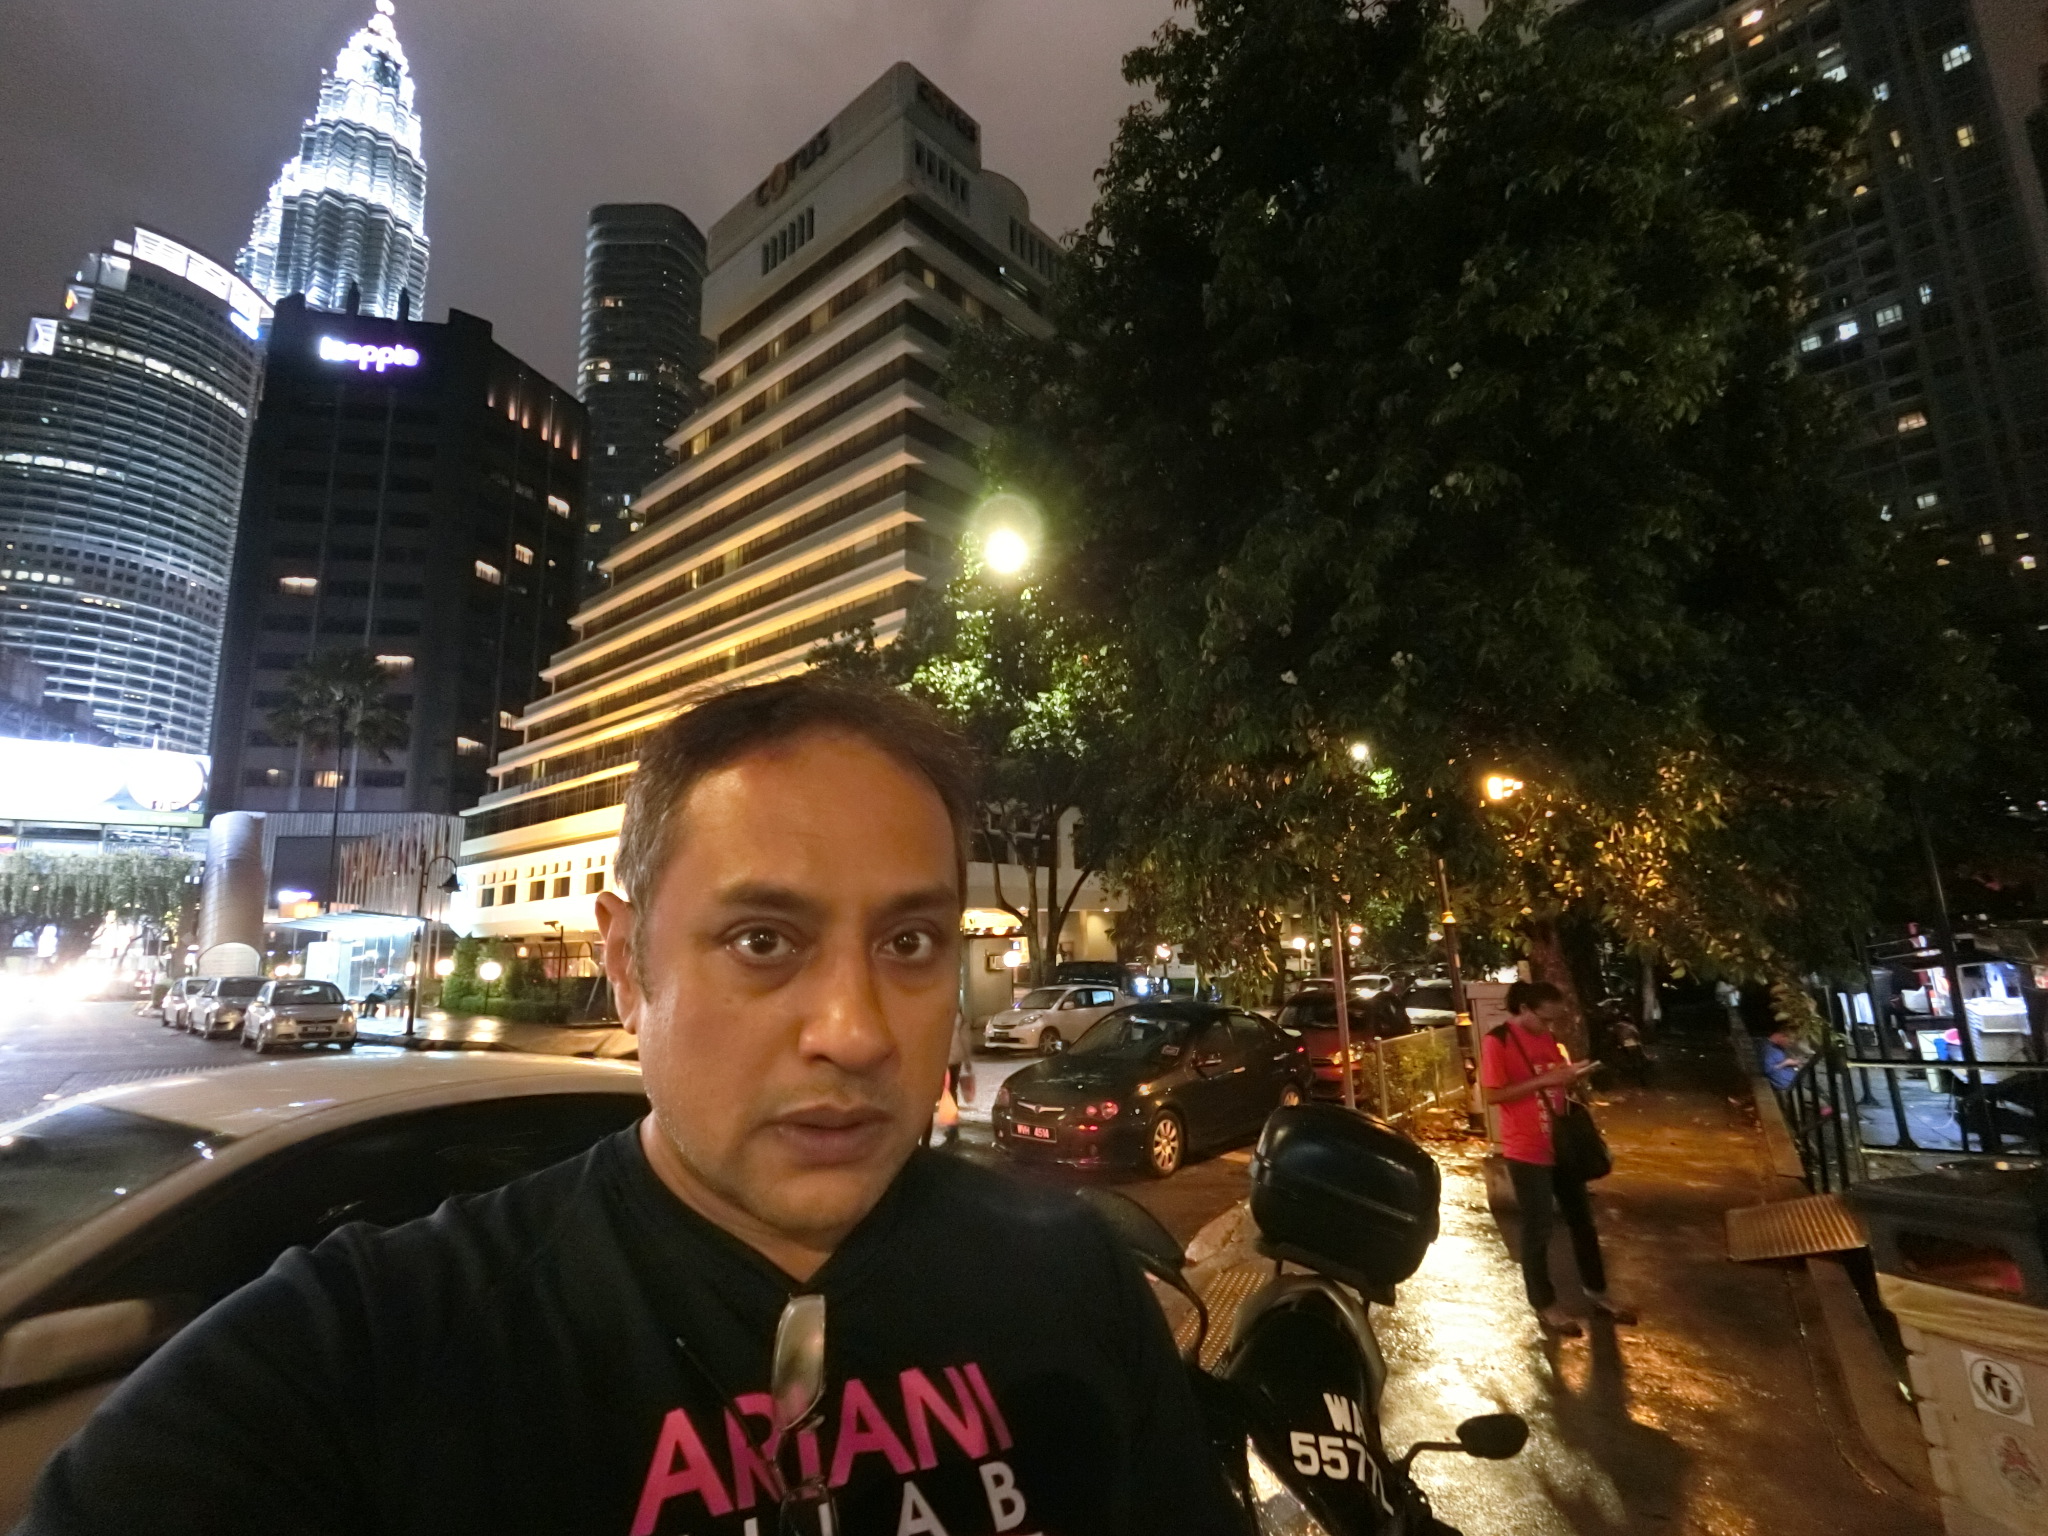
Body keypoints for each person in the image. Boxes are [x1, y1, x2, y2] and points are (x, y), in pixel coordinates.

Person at [20, 677, 1238, 1535]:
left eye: (910, 942)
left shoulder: (1067, 1279)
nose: (858, 1031)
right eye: (763, 941)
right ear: (625, 961)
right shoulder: (363, 1356)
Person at [1480, 979, 1634, 1338]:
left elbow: (1555, 1082)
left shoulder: (1547, 1038)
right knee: (1538, 1229)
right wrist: (1548, 1079)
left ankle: (1597, 1292)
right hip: (1526, 1147)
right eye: (1545, 1018)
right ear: (1524, 1009)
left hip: (1561, 1144)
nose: (1549, 1026)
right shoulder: (1499, 1041)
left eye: (1554, 1020)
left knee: (1582, 1221)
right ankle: (1545, 1303)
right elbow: (1493, 1095)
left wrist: (1571, 1076)